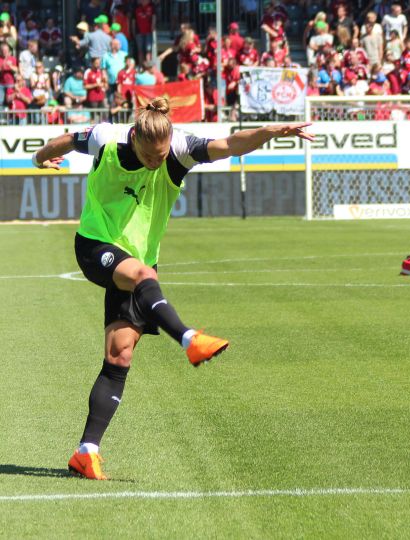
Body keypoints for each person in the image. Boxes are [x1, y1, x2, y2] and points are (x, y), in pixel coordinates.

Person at [31, 97, 314, 481]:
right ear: (135, 139)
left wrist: (268, 132)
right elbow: (65, 140)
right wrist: (39, 158)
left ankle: (86, 452)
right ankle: (188, 338)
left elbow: (230, 144)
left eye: (161, 154)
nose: (157, 161)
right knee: (146, 277)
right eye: (150, 155)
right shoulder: (107, 139)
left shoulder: (179, 150)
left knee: (119, 356)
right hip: (95, 245)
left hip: (138, 256)